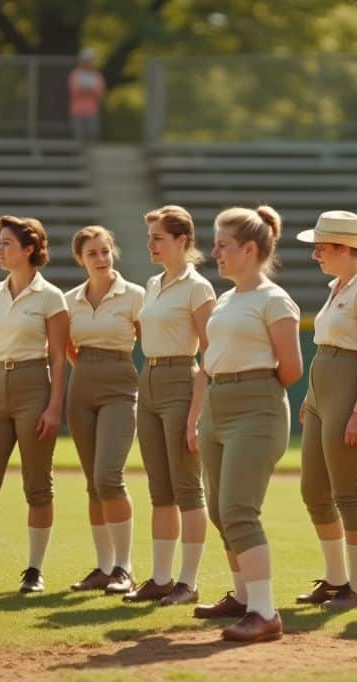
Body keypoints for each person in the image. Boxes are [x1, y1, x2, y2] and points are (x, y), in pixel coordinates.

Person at [191, 206, 302, 643]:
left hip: (257, 406)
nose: (214, 252)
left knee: (239, 509)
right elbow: (208, 361)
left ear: (250, 249)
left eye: (223, 245)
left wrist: (253, 393)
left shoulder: (274, 300)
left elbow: (291, 367)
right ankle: (242, 597)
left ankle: (265, 612)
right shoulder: (226, 299)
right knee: (220, 510)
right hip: (218, 405)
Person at [0, 216, 69, 595]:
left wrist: (54, 407)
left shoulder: (51, 297)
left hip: (35, 386)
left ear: (30, 249)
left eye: (7, 243)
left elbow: (57, 357)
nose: (0, 250)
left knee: (38, 486)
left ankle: (35, 571)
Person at [294, 211, 357, 612]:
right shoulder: (339, 286)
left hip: (353, 397)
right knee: (314, 491)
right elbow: (329, 346)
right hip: (324, 395)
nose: (316, 253)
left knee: (349, 494)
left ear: (344, 249)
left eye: (322, 247)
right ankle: (336, 581)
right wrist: (311, 395)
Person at [121, 205, 216, 606]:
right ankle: (160, 578)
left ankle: (187, 582)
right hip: (150, 380)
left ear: (182, 241)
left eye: (159, 237)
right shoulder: (153, 284)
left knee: (187, 488)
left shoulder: (199, 288)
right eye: (150, 237)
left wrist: (196, 415)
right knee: (160, 489)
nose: (151, 244)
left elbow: (211, 353)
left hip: (182, 378)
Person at [64, 226, 145, 595]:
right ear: (80, 259)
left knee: (108, 476)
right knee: (92, 484)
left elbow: (152, 338)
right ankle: (102, 567)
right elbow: (67, 346)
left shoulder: (135, 295)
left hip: (120, 384)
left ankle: (124, 568)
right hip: (80, 386)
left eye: (105, 251)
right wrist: (87, 365)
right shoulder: (69, 300)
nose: (100, 259)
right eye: (92, 253)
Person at [68, 48, 106, 144]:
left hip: (92, 111)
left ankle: (89, 157)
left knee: (93, 134)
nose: (88, 62)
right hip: (77, 111)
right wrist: (91, 90)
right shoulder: (75, 74)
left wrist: (83, 89)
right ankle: (79, 157)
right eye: (86, 60)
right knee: (78, 136)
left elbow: (100, 93)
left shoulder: (97, 76)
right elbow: (74, 90)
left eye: (90, 60)